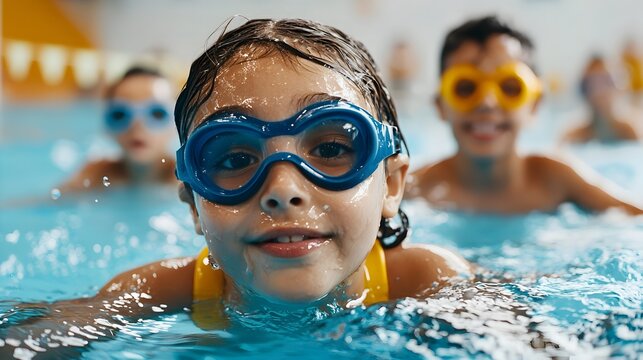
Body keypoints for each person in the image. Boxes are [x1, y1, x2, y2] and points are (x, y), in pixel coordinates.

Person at [1, 18, 471, 354]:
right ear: (193, 205)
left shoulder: (430, 282)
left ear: (390, 185)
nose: (283, 188)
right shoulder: (165, 288)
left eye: (330, 149)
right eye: (236, 159)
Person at [404, 16, 643, 215]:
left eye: (509, 87)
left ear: (535, 105)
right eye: (466, 88)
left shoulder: (556, 178)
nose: (487, 103)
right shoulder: (413, 190)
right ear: (440, 105)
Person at [58, 67, 178, 193]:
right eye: (120, 114)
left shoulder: (185, 180)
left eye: (157, 114)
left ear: (177, 124)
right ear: (107, 126)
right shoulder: (96, 174)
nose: (137, 125)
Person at [560, 56, 640, 144]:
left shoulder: (629, 131)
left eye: (605, 80)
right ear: (585, 92)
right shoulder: (575, 134)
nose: (600, 92)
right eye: (593, 84)